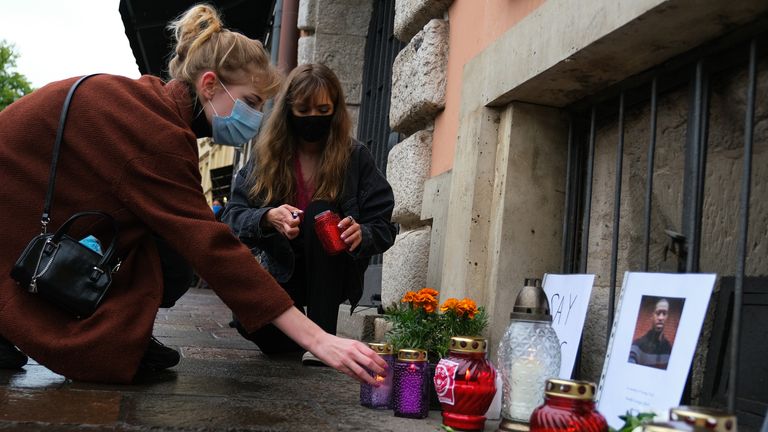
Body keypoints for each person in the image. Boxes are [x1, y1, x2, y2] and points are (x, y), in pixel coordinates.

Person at [0, 4, 386, 385]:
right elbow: (211, 245)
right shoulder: (157, 133)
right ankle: (108, 337)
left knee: (167, 254)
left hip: (19, 197)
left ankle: (120, 335)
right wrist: (320, 340)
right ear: (209, 84)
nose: (253, 117)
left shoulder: (152, 106)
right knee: (171, 257)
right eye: (250, 102)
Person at [221, 63, 396, 363]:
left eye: (323, 109)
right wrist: (267, 217)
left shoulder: (355, 157)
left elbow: (384, 226)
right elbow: (231, 216)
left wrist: (362, 233)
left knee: (321, 212)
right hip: (280, 270)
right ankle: (308, 339)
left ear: (335, 109)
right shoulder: (267, 157)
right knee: (251, 324)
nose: (313, 118)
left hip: (330, 273)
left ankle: (322, 336)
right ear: (289, 111)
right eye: (303, 110)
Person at [628, 298, 673, 369]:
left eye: (664, 314)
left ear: (667, 317)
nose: (661, 318)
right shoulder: (637, 346)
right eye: (658, 313)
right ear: (652, 316)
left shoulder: (669, 349)